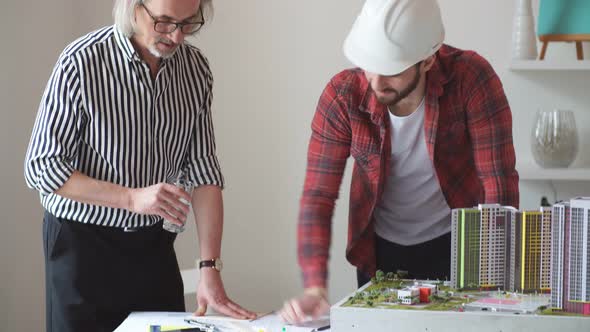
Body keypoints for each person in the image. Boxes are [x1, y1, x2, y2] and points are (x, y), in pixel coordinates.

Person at [280, 0, 519, 324]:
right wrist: (314, 287)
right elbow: (317, 196)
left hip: (459, 246)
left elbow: (498, 183)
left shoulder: (471, 79)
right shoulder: (342, 95)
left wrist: (493, 279)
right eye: (369, 64)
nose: (376, 81)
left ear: (427, 60)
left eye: (391, 69)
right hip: (378, 250)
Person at [24, 0, 255, 331]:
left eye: (188, 23)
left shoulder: (196, 70)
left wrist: (210, 269)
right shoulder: (81, 62)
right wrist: (131, 198)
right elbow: (41, 166)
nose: (176, 37)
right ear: (133, 7)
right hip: (81, 247)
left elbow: (204, 172)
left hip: (153, 246)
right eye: (164, 22)